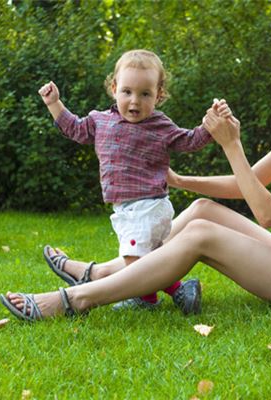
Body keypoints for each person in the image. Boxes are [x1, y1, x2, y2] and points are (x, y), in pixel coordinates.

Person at [0, 31, 271, 321]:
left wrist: (232, 144)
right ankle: (98, 272)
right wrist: (181, 181)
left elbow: (269, 212)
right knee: (200, 210)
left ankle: (75, 299)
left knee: (200, 235)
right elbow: (249, 185)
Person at [36, 49, 214, 313]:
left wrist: (209, 127)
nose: (135, 101)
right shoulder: (100, 121)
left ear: (159, 95)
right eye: (127, 92)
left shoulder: (159, 124)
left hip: (147, 206)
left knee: (134, 261)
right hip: (131, 208)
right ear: (114, 88)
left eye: (145, 94)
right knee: (148, 258)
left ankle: (173, 291)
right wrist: (54, 104)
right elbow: (74, 128)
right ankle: (150, 297)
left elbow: (188, 140)